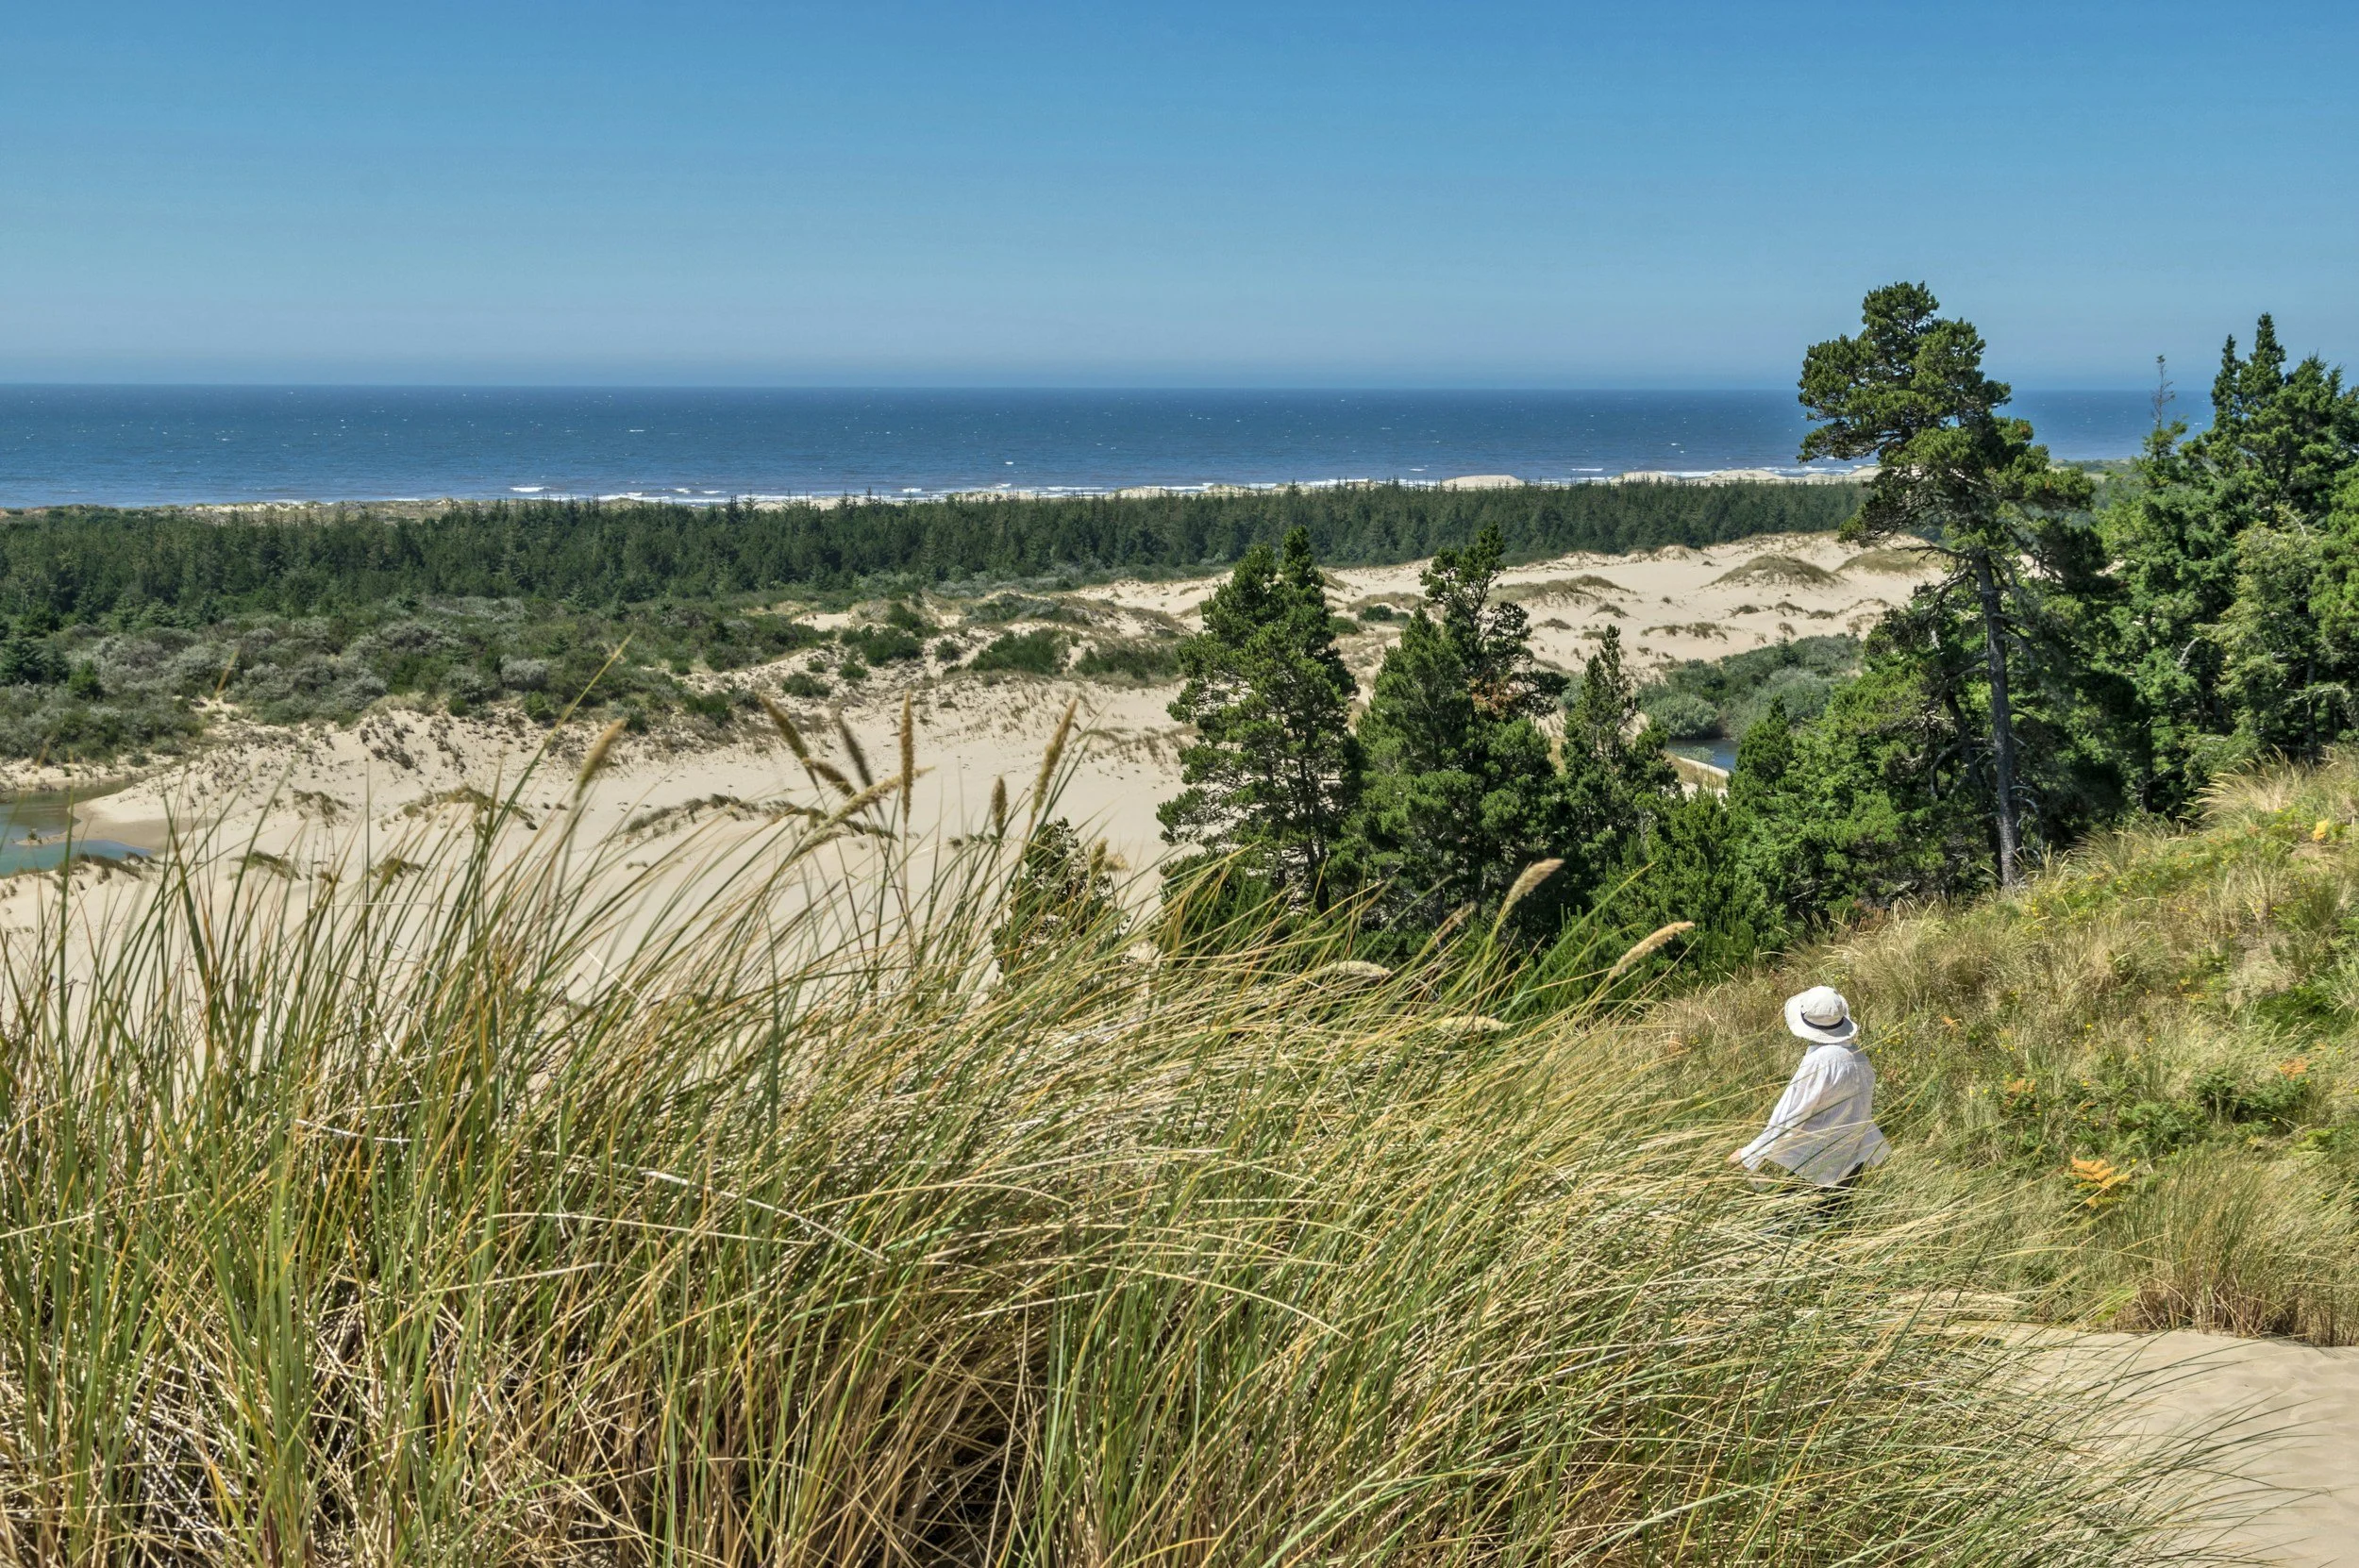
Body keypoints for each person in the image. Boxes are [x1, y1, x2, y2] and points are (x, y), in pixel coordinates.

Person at [1732, 986, 1887, 1215]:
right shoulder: (1859, 1059)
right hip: (1851, 1163)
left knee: (1777, 1231)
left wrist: (1750, 1154)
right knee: (1832, 1231)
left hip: (1817, 1166)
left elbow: (1791, 1117)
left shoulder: (1820, 1062)